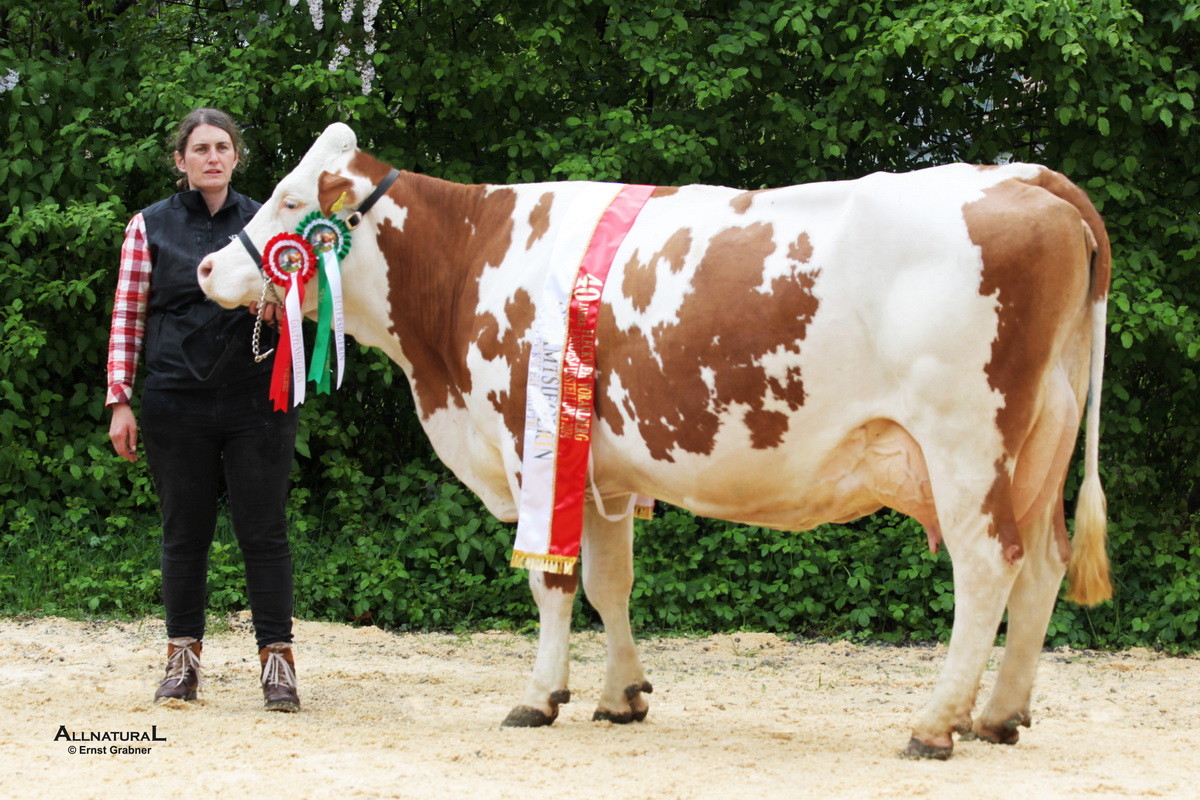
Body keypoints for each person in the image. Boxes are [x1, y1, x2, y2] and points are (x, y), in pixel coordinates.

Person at [105, 107, 301, 712]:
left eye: (222, 147)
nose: (212, 157)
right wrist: (120, 399)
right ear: (181, 161)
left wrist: (280, 307)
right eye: (201, 149)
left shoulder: (267, 222)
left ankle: (278, 666)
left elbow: (303, 303)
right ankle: (182, 663)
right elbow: (128, 314)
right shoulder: (148, 226)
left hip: (257, 400)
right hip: (173, 401)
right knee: (183, 533)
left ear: (237, 157)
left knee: (263, 531)